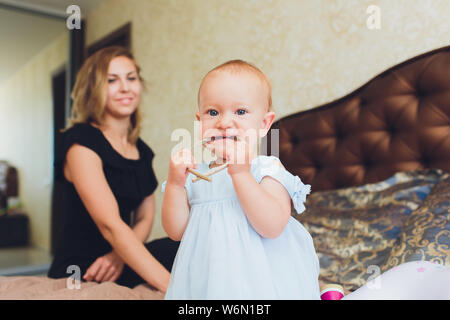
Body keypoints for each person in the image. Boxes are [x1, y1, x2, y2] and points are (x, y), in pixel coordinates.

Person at [161, 60, 321, 299]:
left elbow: (272, 226)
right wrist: (175, 184)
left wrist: (241, 174)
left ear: (264, 123)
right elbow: (176, 231)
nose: (224, 123)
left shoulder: (266, 169)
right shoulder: (196, 175)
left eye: (241, 112)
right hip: (207, 285)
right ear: (199, 122)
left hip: (261, 285)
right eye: (212, 112)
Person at [48, 46, 179, 292]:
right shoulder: (81, 141)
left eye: (131, 78)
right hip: (84, 267)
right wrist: (174, 288)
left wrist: (119, 256)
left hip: (121, 258)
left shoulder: (142, 150)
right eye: (112, 80)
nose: (125, 88)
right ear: (93, 88)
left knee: (184, 246)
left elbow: (144, 218)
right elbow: (110, 224)